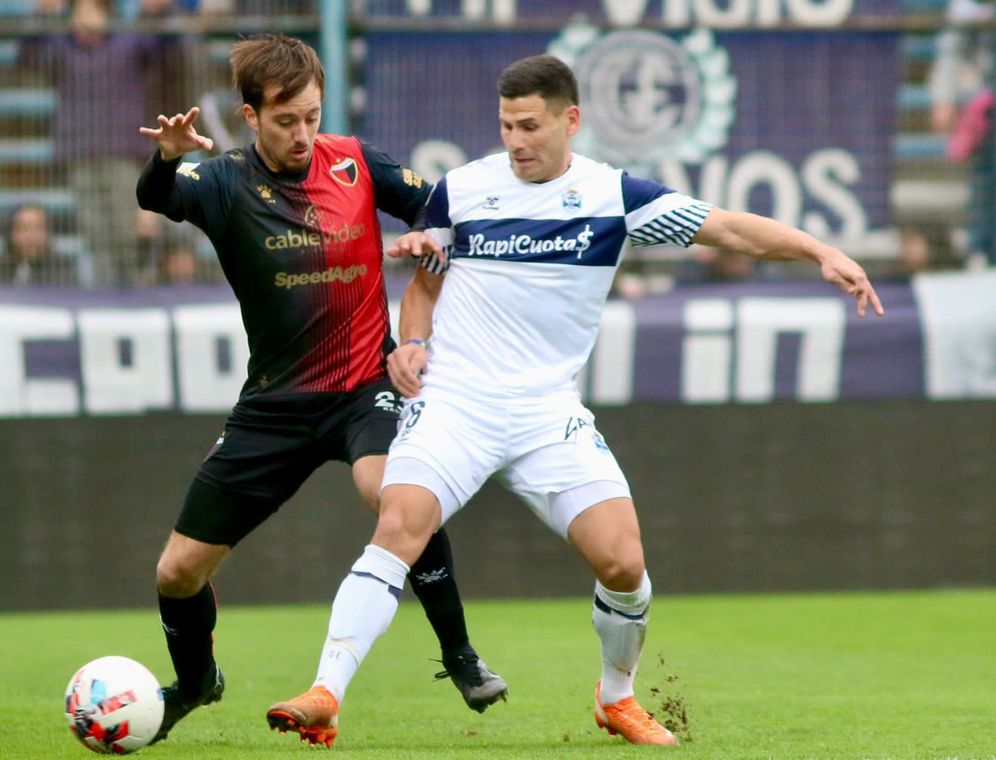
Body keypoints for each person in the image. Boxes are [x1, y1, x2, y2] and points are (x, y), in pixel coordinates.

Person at [267, 53, 886, 748]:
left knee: (623, 563)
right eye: (506, 125)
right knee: (399, 525)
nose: (516, 141)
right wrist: (411, 342)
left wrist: (820, 251)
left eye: (530, 126)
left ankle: (616, 697)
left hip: (545, 413)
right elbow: (425, 288)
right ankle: (326, 691)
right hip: (456, 403)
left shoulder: (614, 196)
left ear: (571, 120)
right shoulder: (461, 190)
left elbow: (732, 229)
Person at [134, 34, 507, 745]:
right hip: (274, 406)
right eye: (286, 120)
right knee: (177, 571)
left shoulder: (356, 161)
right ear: (250, 116)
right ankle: (196, 681)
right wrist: (168, 157)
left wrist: (426, 243)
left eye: (311, 116)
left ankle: (460, 654)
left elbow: (437, 209)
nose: (303, 133)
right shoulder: (223, 182)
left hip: (366, 387)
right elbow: (157, 196)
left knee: (393, 493)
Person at [22, 0, 166, 286]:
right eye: (80, 11)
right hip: (80, 154)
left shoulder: (129, 42)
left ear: (106, 15)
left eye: (92, 10)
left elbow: (166, 47)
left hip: (124, 154)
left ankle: (137, 292)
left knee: (128, 231)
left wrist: (157, 11)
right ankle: (106, 295)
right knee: (96, 235)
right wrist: (41, 15)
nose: (86, 17)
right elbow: (27, 57)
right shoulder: (62, 47)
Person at [929, 0, 996, 269]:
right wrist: (944, 98)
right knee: (987, 179)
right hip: (988, 104)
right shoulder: (968, 7)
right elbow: (951, 50)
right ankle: (982, 248)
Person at [0, 203, 79, 287]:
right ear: (11, 233)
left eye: (38, 228)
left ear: (49, 234)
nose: (31, 237)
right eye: (23, 228)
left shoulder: (63, 271)